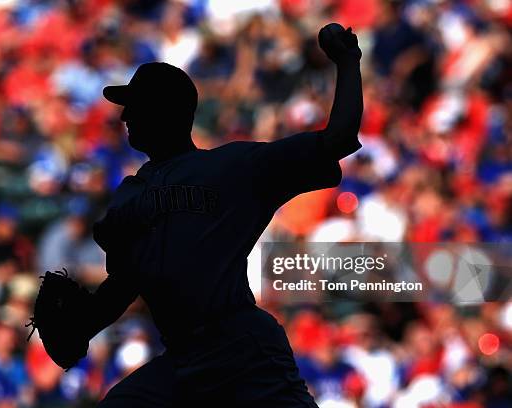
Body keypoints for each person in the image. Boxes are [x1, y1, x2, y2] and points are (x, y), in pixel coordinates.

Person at [88, 24, 363, 407]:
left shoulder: (233, 167)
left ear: (163, 112)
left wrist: (349, 61)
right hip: (184, 358)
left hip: (241, 348)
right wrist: (83, 324)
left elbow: (339, 137)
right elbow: (124, 284)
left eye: (135, 105)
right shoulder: (129, 196)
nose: (125, 116)